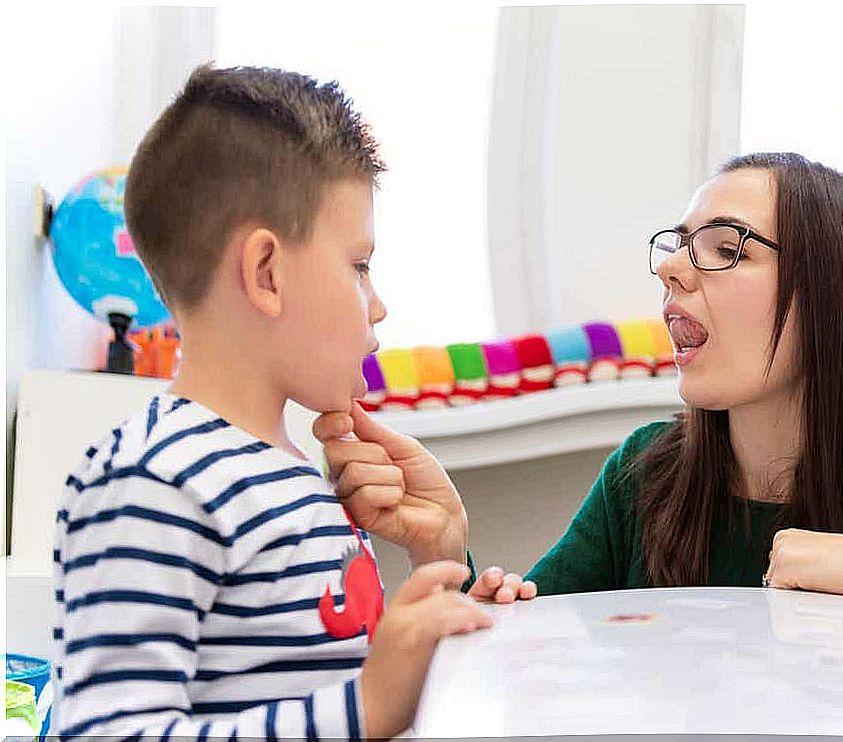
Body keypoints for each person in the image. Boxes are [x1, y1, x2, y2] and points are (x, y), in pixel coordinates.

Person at [318, 152, 843, 612]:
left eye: (726, 248)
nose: (671, 268)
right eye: (677, 244)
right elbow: (519, 659)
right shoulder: (643, 477)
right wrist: (444, 550)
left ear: (836, 302)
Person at [54, 64, 531, 741]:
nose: (380, 304)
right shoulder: (151, 484)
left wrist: (440, 615)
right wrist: (366, 706)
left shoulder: (295, 476)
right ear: (268, 274)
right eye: (360, 266)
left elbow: (310, 686)